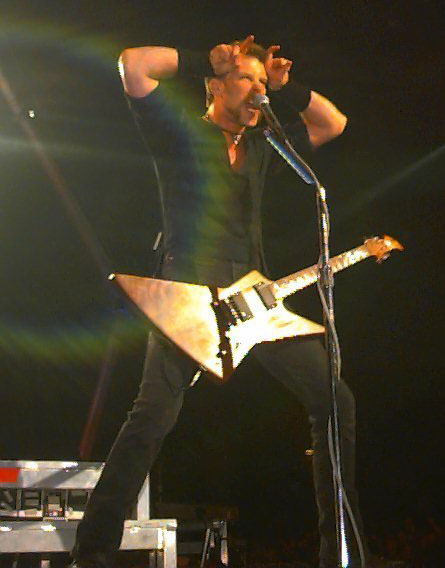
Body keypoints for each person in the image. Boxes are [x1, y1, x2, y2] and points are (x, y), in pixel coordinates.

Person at [70, 36, 372, 568]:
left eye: (261, 82)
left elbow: (333, 123)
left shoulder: (263, 145)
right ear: (216, 86)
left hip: (251, 294)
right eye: (246, 79)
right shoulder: (180, 134)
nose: (257, 89)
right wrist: (200, 61)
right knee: (152, 417)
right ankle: (92, 553)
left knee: (334, 398)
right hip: (187, 293)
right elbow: (134, 65)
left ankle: (342, 555)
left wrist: (285, 87)